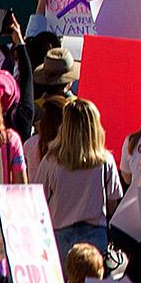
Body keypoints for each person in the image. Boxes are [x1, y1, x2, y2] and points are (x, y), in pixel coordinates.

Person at [35, 97, 122, 253]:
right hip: (95, 235)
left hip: (60, 236)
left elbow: (39, 199)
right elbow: (112, 204)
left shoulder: (51, 160)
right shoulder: (105, 161)